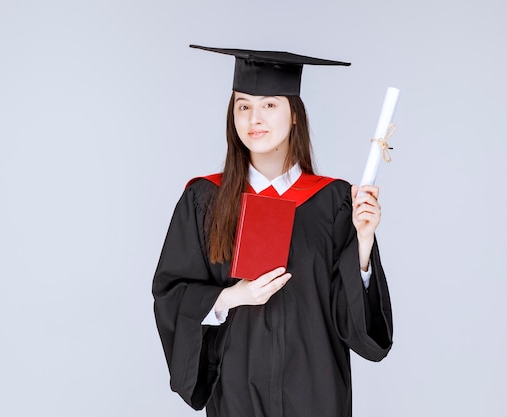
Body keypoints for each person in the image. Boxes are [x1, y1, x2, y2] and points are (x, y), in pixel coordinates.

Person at [152, 45, 393, 417]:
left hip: (316, 390)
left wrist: (363, 241)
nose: (254, 119)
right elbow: (172, 296)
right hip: (236, 390)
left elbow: (353, 324)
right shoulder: (205, 200)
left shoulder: (333, 202)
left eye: (269, 105)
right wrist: (233, 297)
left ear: (294, 115)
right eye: (243, 106)